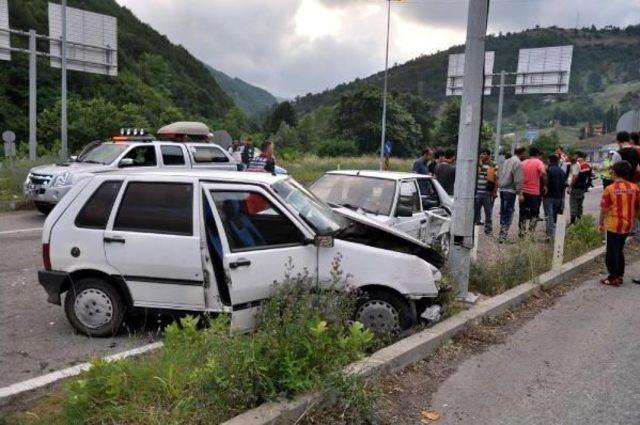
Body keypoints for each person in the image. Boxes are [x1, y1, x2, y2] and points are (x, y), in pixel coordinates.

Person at [599, 161, 640, 286]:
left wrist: (601, 223)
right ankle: (619, 274)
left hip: (613, 224)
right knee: (619, 250)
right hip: (627, 224)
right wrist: (634, 220)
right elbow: (638, 207)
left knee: (612, 251)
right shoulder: (635, 188)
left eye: (612, 171)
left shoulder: (610, 189)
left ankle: (613, 277)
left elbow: (604, 209)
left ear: (615, 172)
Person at [519, 147, 547, 237]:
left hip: (523, 192)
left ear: (529, 154)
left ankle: (522, 232)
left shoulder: (523, 163)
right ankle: (531, 232)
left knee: (522, 213)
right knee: (534, 213)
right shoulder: (539, 162)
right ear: (537, 154)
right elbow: (543, 173)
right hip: (534, 193)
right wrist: (546, 185)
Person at [498, 147, 524, 241]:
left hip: (502, 189)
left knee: (503, 211)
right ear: (522, 153)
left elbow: (500, 174)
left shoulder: (506, 161)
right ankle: (503, 236)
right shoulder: (518, 163)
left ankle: (502, 233)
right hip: (510, 190)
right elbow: (518, 179)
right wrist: (520, 193)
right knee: (508, 212)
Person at [474, 149, 498, 236]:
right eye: (481, 154)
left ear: (488, 155)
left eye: (483, 154)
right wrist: (479, 163)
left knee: (488, 212)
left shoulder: (493, 165)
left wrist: (494, 192)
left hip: (487, 192)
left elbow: (496, 179)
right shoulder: (478, 164)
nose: (482, 156)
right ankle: (474, 229)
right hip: (477, 192)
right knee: (475, 211)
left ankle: (488, 230)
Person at [543, 154, 566, 240]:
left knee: (549, 216)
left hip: (549, 196)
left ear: (550, 161)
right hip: (558, 197)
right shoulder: (562, 172)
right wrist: (562, 198)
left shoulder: (548, 170)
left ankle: (550, 235)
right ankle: (554, 234)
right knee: (554, 216)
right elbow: (564, 185)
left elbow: (545, 182)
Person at [567, 151, 592, 225]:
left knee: (573, 204)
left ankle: (572, 222)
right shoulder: (587, 164)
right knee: (580, 204)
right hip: (583, 187)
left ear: (577, 155)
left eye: (574, 155)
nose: (573, 156)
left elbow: (575, 177)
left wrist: (570, 187)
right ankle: (579, 219)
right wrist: (587, 185)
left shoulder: (577, 165)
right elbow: (590, 176)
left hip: (576, 187)